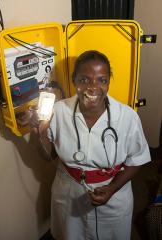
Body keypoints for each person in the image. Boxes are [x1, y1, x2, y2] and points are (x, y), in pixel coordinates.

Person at [30, 50, 151, 240]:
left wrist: (112, 189)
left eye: (102, 80)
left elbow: (138, 159)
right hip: (68, 191)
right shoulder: (58, 111)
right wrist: (41, 131)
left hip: (113, 192)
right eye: (84, 80)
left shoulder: (127, 117)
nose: (93, 87)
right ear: (74, 81)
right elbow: (47, 156)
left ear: (108, 82)